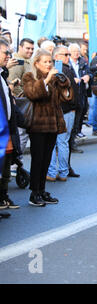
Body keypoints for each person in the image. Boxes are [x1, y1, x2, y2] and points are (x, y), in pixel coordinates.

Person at [22, 49, 73, 206]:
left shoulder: (53, 78)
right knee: (37, 159)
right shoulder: (29, 76)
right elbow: (33, 94)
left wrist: (62, 80)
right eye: (45, 61)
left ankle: (42, 190)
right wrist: (47, 79)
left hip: (53, 124)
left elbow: (66, 95)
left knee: (46, 159)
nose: (48, 64)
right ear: (36, 63)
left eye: (50, 61)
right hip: (38, 124)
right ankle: (34, 193)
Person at [46, 46, 77, 182]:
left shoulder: (63, 71)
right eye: (65, 54)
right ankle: (61, 173)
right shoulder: (63, 71)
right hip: (64, 110)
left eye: (69, 54)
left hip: (63, 110)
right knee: (62, 142)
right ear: (56, 56)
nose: (68, 57)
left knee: (57, 143)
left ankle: (53, 172)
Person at [0, 39, 22, 209]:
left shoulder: (2, 74)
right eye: (5, 53)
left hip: (7, 128)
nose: (9, 56)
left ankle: (3, 198)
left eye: (9, 52)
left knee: (6, 165)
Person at [8, 38, 34, 160]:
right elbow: (13, 83)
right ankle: (15, 162)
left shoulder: (26, 61)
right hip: (21, 102)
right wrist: (23, 97)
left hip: (25, 101)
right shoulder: (18, 62)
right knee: (21, 134)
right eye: (27, 48)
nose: (30, 51)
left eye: (32, 49)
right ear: (20, 47)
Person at [69, 43, 92, 144]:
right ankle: (71, 140)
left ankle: (77, 133)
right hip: (71, 94)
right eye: (74, 51)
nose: (76, 53)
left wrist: (88, 76)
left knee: (80, 114)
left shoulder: (83, 62)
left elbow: (89, 72)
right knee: (72, 119)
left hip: (82, 92)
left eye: (77, 51)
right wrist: (72, 80)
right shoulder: (67, 63)